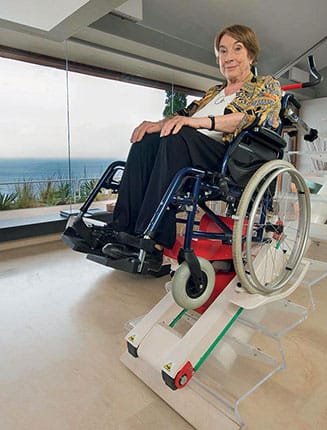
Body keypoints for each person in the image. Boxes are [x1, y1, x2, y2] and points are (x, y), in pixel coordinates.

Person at [66, 24, 282, 274]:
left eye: (237, 49)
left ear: (251, 55)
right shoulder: (214, 93)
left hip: (228, 155)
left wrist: (199, 122)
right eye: (222, 51)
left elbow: (250, 118)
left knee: (178, 135)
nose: (228, 57)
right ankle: (121, 229)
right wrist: (154, 125)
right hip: (186, 147)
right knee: (147, 139)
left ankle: (151, 241)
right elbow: (182, 115)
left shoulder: (266, 85)